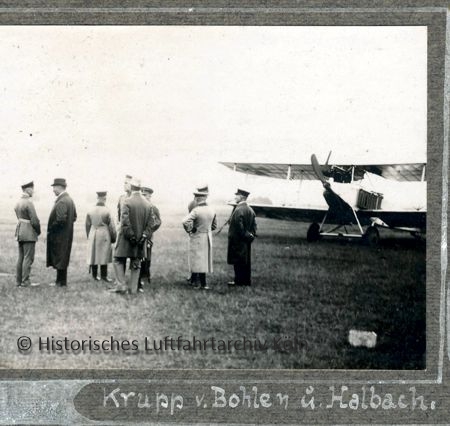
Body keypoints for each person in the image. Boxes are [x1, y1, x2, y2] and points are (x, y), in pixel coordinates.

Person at [109, 178, 155, 294]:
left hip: (126, 239)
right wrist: (143, 236)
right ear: (140, 188)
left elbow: (125, 222)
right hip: (141, 240)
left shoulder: (127, 202)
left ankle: (121, 286)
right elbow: (151, 224)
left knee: (117, 259)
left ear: (132, 187)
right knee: (136, 262)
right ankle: (133, 289)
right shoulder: (148, 204)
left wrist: (131, 237)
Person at [182, 187, 217, 289]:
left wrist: (191, 229)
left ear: (197, 199)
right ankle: (204, 284)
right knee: (204, 261)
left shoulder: (196, 210)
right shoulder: (212, 210)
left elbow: (184, 221)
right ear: (205, 198)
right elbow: (214, 225)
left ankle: (196, 283)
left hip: (197, 237)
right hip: (207, 237)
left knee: (196, 260)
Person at [46, 178, 77, 287]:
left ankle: (60, 282)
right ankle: (60, 282)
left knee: (60, 257)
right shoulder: (69, 199)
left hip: (60, 236)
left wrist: (51, 230)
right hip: (66, 235)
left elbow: (60, 220)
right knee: (63, 257)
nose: (53, 190)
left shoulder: (62, 201)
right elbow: (74, 217)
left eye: (54, 187)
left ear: (59, 187)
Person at [227, 189, 257, 286]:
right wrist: (250, 236)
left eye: (237, 195)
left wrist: (244, 235)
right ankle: (246, 281)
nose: (235, 197)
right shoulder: (250, 209)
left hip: (237, 240)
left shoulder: (238, 209)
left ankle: (238, 282)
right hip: (246, 241)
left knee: (238, 261)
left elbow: (239, 227)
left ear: (242, 197)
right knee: (246, 261)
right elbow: (254, 226)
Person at [14, 181, 41, 287]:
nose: (33, 191)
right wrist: (38, 231)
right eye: (32, 189)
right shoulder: (28, 202)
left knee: (20, 257)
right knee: (28, 257)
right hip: (29, 232)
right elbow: (34, 220)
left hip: (20, 231)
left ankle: (18, 281)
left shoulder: (18, 202)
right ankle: (25, 281)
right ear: (28, 190)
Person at [85, 191, 117, 282]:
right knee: (104, 255)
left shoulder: (90, 209)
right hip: (104, 233)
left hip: (93, 232)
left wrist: (89, 235)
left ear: (97, 198)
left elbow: (87, 224)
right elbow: (111, 226)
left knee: (94, 254)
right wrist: (113, 237)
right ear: (104, 198)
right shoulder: (107, 210)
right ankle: (104, 276)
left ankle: (95, 276)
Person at [139, 185, 162, 292]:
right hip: (138, 235)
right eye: (142, 194)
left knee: (147, 255)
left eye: (146, 195)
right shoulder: (139, 206)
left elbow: (158, 221)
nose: (144, 197)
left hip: (148, 236)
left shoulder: (153, 208)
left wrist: (150, 230)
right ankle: (139, 275)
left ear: (150, 196)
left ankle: (146, 274)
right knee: (139, 255)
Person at [186, 185, 208, 284]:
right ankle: (196, 278)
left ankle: (193, 277)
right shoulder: (200, 205)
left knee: (194, 255)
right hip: (198, 232)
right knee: (199, 256)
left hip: (193, 231)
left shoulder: (192, 203)